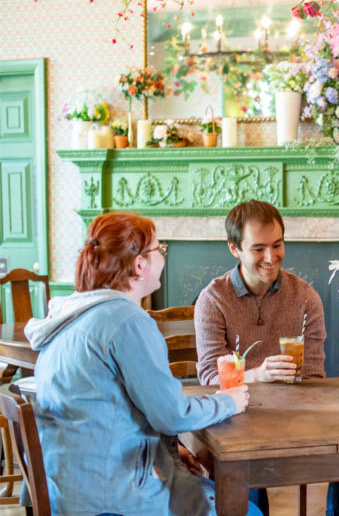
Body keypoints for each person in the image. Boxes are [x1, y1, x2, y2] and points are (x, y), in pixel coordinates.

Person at [24, 211, 255, 516]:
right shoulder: (127, 321)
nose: (163, 258)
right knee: (244, 510)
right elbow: (172, 414)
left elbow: (108, 413)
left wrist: (167, 452)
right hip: (110, 499)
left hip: (69, 491)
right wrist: (228, 401)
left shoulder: (71, 317)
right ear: (139, 264)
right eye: (160, 250)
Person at [194, 199, 339, 516]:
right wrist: (257, 375)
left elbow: (313, 376)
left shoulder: (305, 296)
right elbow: (208, 377)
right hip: (240, 415)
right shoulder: (212, 300)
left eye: (277, 245)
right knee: (247, 458)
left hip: (297, 413)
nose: (271, 258)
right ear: (234, 249)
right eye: (258, 248)